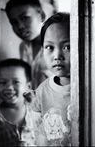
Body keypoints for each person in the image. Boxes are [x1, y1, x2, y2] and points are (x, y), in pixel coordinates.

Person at [26, 12, 71, 146]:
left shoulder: (91, 89)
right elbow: (39, 135)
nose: (57, 56)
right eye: (50, 47)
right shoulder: (41, 93)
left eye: (67, 47)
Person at [0, 58, 42, 146]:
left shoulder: (37, 113)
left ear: (28, 86)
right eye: (3, 82)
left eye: (16, 82)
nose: (9, 87)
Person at [5, 0, 54, 89]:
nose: (20, 26)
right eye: (14, 22)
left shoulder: (58, 46)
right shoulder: (23, 46)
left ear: (42, 16)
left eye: (25, 18)